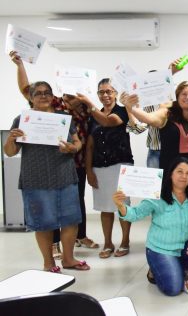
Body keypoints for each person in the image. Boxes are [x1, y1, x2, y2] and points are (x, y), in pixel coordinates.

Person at [10, 51, 99, 253]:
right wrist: (20, 66)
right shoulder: (54, 104)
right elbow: (26, 89)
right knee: (49, 208)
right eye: (68, 93)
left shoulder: (86, 110)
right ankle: (54, 244)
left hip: (75, 162)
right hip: (47, 163)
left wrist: (78, 152)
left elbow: (86, 140)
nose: (71, 97)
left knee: (74, 206)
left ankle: (80, 237)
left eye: (75, 94)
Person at [4, 81, 89, 272]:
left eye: (47, 93)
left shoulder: (63, 118)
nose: (43, 96)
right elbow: (10, 152)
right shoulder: (22, 119)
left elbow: (77, 142)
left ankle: (68, 259)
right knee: (43, 222)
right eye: (38, 93)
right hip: (36, 179)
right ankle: (48, 263)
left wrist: (72, 148)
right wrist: (10, 139)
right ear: (31, 97)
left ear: (52, 96)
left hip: (65, 175)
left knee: (71, 220)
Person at [113, 157, 188, 297]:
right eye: (180, 171)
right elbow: (135, 214)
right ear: (171, 174)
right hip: (161, 249)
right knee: (173, 289)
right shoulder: (157, 195)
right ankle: (157, 269)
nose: (184, 176)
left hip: (185, 246)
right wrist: (121, 205)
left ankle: (177, 268)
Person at [79, 78, 138, 259]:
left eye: (109, 91)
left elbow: (108, 121)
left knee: (123, 206)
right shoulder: (92, 116)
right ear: (98, 94)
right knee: (105, 208)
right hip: (99, 167)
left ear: (115, 94)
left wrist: (89, 104)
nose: (105, 95)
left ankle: (125, 241)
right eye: (101, 92)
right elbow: (89, 146)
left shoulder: (122, 111)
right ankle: (108, 243)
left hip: (121, 165)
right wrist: (89, 170)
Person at [122, 81, 188, 186]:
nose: (187, 97)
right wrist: (131, 108)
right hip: (169, 167)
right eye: (184, 94)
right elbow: (149, 118)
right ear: (177, 96)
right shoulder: (166, 114)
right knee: (168, 195)